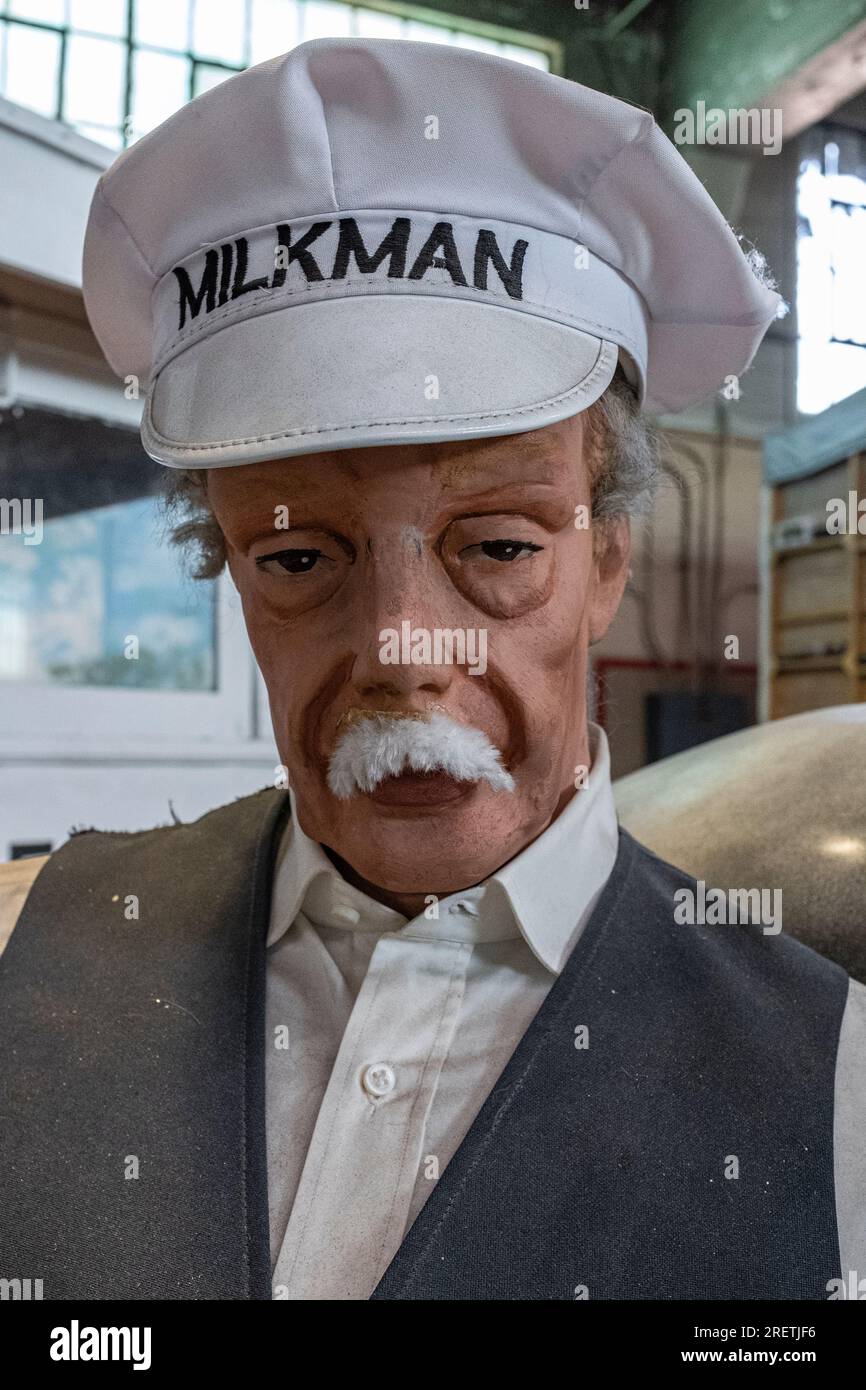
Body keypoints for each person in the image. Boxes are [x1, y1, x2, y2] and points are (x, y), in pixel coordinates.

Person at [0, 37, 863, 1302]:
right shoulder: (35, 952)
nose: (403, 651)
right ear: (229, 567)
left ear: (609, 556)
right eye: (298, 560)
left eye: (498, 545)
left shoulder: (830, 1089)